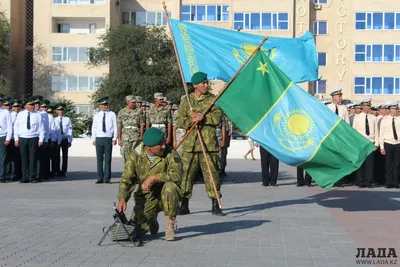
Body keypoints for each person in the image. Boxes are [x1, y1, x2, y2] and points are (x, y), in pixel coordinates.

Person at [117, 128, 182, 242]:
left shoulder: (170, 152)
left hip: (166, 196)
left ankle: (170, 225)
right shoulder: (135, 155)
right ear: (149, 147)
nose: (163, 146)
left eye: (163, 142)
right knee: (134, 232)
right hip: (147, 196)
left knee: (170, 187)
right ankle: (152, 219)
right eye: (159, 144)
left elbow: (177, 175)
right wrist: (122, 198)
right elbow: (127, 179)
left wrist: (154, 177)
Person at [175, 71, 224, 216]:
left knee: (212, 174)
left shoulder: (213, 100)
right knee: (186, 175)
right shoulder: (187, 101)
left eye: (206, 82)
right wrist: (192, 120)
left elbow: (217, 118)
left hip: (208, 145)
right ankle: (184, 204)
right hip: (190, 145)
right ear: (195, 85)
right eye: (203, 83)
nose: (205, 85)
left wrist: (203, 117)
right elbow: (178, 120)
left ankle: (215, 204)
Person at [13, 96, 45, 183]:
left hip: (33, 138)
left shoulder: (38, 115)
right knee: (24, 158)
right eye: (30, 105)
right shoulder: (20, 114)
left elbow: (41, 128)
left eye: (33, 105)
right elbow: (16, 127)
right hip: (23, 138)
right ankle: (25, 177)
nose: (32, 107)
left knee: (33, 158)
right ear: (25, 106)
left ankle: (33, 177)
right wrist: (16, 139)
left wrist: (41, 139)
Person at [352, 98, 378, 188]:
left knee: (370, 163)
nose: (368, 107)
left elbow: (376, 132)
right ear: (362, 107)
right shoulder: (357, 117)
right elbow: (354, 131)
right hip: (360, 142)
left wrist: (376, 144)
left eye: (369, 105)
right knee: (361, 162)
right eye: (367, 106)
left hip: (371, 142)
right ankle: (360, 181)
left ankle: (368, 181)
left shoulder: (373, 118)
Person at [91, 97, 117, 184]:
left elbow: (115, 127)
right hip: (99, 138)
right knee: (99, 159)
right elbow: (94, 127)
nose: (105, 106)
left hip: (108, 137)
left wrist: (114, 138)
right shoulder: (96, 115)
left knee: (108, 159)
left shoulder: (112, 114)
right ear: (99, 106)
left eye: (106, 104)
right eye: (103, 105)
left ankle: (107, 178)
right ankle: (100, 177)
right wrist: (93, 138)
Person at [117, 95, 145, 163]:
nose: (133, 104)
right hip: (125, 137)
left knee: (136, 155)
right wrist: (119, 139)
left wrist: (141, 136)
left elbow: (142, 124)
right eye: (132, 102)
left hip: (136, 136)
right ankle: (127, 171)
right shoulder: (122, 112)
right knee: (125, 154)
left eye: (134, 102)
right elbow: (119, 126)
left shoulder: (139, 111)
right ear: (127, 102)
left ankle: (135, 172)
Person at [379, 101, 400, 188]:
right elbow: (381, 134)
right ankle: (388, 182)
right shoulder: (384, 120)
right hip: (388, 143)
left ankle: (396, 182)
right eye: (394, 109)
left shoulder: (399, 119)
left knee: (397, 164)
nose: (396, 110)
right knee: (388, 165)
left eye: (396, 109)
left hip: (398, 143)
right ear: (390, 109)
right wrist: (381, 147)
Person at [53, 103, 72, 177]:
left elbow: (70, 130)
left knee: (65, 156)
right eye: (59, 110)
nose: (61, 111)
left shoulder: (67, 119)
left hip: (64, 139)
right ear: (56, 111)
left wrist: (70, 140)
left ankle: (63, 171)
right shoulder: (54, 119)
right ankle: (57, 170)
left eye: (62, 110)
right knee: (56, 156)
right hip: (57, 139)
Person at [0, 97, 12, 183]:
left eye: (0, 101)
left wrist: (8, 138)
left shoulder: (5, 112)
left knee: (2, 158)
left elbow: (9, 126)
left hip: (2, 136)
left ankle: (2, 175)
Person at [10, 99, 22, 181]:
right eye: (15, 106)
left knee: (20, 157)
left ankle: (19, 173)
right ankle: (13, 173)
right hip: (13, 138)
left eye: (18, 106)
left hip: (21, 138)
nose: (17, 108)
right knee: (14, 158)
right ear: (12, 107)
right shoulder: (11, 115)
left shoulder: (21, 115)